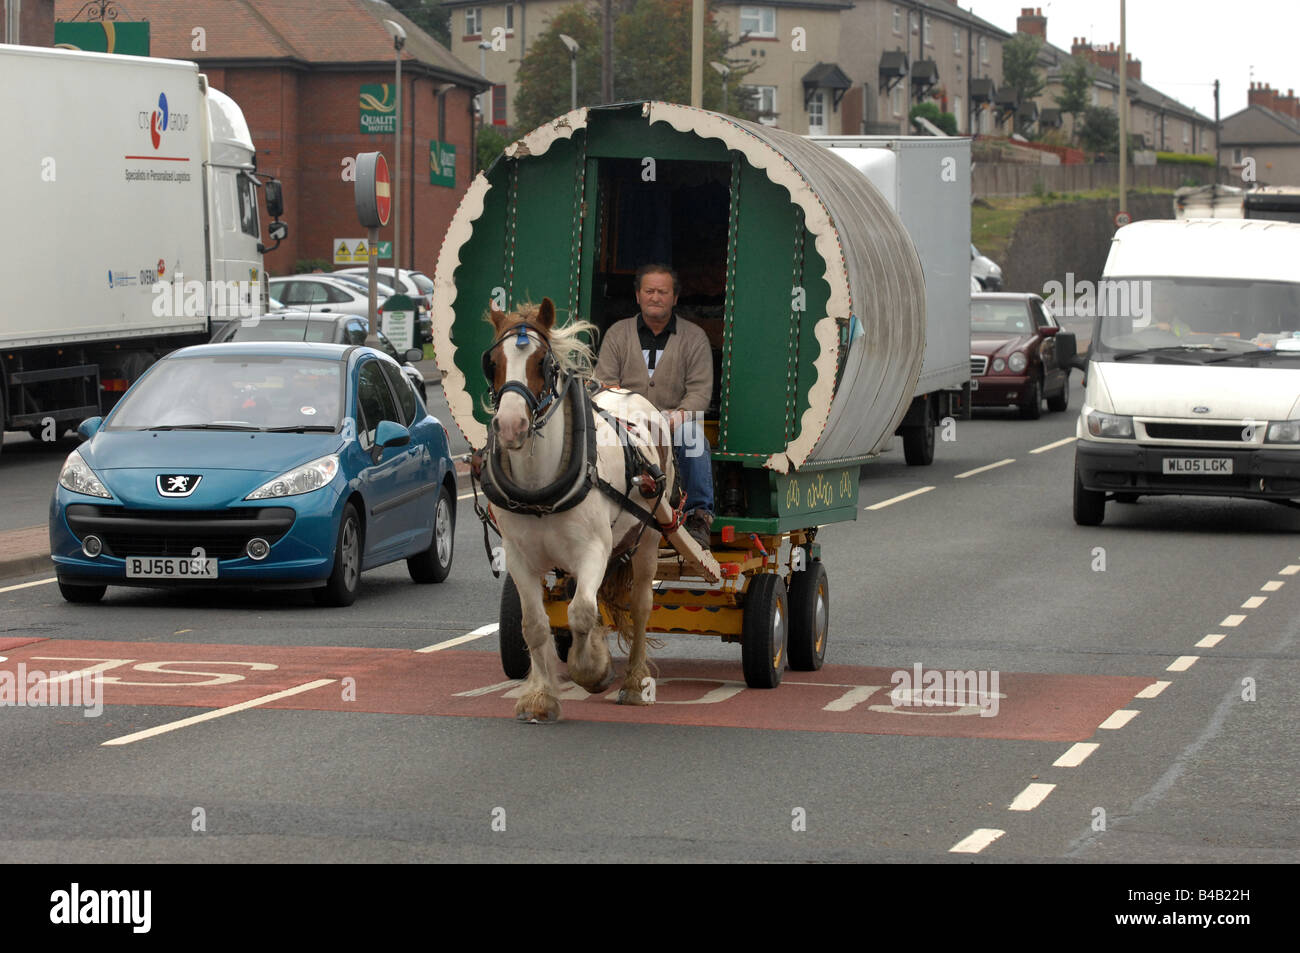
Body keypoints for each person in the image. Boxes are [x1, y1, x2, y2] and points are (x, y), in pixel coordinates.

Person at [594, 263, 715, 552]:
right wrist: (627, 418)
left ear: (675, 298)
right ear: (638, 295)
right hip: (624, 423)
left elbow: (699, 392)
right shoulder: (617, 334)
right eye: (649, 291)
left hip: (674, 421)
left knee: (695, 439)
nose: (655, 297)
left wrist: (677, 417)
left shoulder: (694, 337)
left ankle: (699, 518)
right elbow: (604, 383)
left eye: (663, 292)